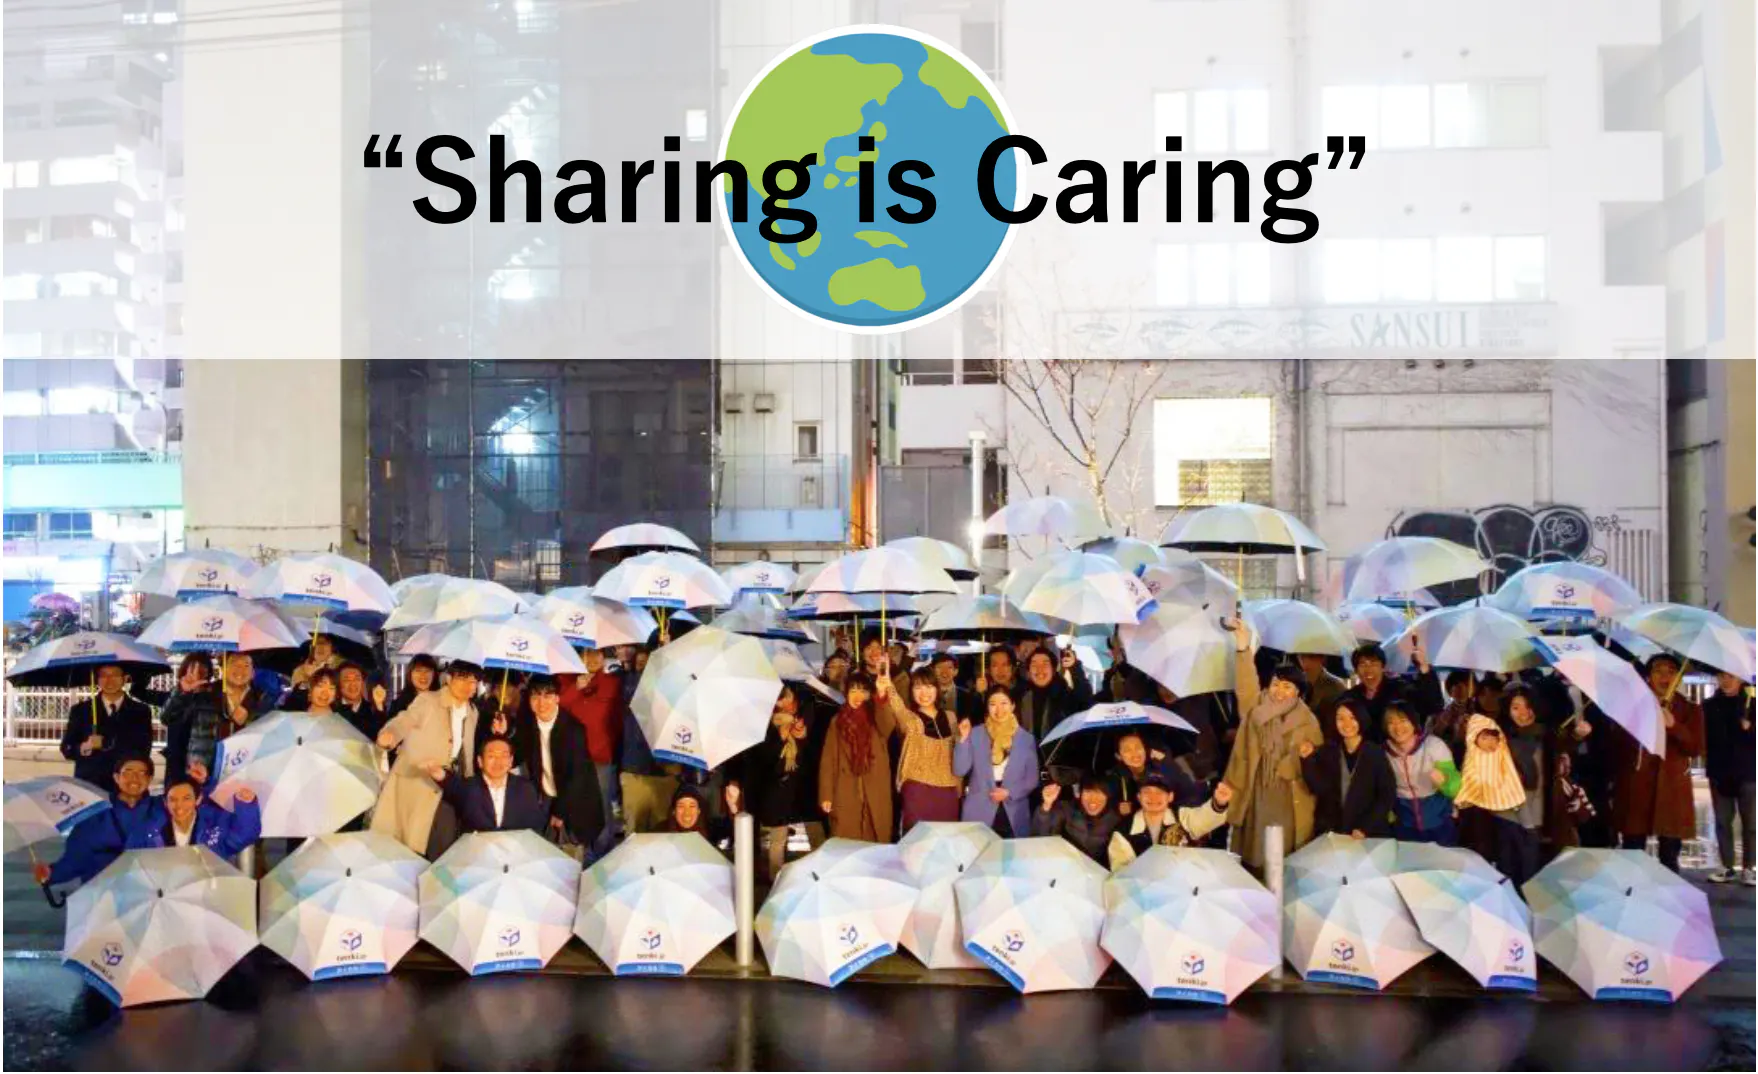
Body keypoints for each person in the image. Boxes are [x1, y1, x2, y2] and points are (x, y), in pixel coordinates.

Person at [1223, 620, 1326, 871]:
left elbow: (1318, 766)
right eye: (1276, 684)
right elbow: (1245, 684)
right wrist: (1243, 648)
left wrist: (1299, 760)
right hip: (1255, 788)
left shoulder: (1308, 721)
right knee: (1253, 852)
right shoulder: (1256, 708)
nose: (1279, 691)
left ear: (1298, 692)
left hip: (1289, 795)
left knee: (1285, 856)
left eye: (1287, 686)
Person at [372, 660, 486, 856]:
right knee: (409, 842)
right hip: (419, 781)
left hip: (450, 782)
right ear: (448, 679)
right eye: (462, 678)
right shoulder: (429, 700)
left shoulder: (472, 711)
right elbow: (405, 719)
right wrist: (390, 734)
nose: (468, 685)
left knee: (444, 841)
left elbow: (467, 750)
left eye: (473, 681)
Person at [1609, 654, 1705, 874]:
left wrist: (1674, 726)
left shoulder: (1690, 709)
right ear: (1649, 677)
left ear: (1677, 678)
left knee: (1669, 855)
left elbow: (1696, 748)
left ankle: (1668, 892)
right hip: (1638, 787)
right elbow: (1617, 745)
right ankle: (1633, 891)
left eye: (1671, 672)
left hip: (1671, 789)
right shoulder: (1632, 706)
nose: (1665, 677)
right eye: (1658, 671)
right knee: (1633, 851)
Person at [731, 684, 826, 881]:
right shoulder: (765, 722)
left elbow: (820, 751)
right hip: (778, 789)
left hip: (806, 788)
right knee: (777, 843)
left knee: (816, 838)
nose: (784, 707)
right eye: (779, 704)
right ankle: (776, 883)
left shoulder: (811, 710)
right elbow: (761, 760)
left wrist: (804, 738)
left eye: (787, 702)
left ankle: (820, 878)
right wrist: (779, 738)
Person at [36, 754, 167, 888]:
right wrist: (51, 874)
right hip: (103, 889)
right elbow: (78, 855)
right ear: (116, 777)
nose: (134, 778)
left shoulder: (162, 809)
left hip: (148, 890)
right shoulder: (96, 812)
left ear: (150, 779)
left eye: (141, 773)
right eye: (128, 772)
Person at [513, 676, 605, 851]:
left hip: (574, 801)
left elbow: (577, 776)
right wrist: (501, 734)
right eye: (535, 697)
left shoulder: (573, 729)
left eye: (547, 696)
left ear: (557, 698)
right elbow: (515, 757)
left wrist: (560, 811)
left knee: (570, 855)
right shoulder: (527, 725)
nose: (541, 703)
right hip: (545, 797)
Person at [1454, 715, 1538, 885]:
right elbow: (1466, 790)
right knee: (1494, 858)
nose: (1490, 742)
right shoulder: (1470, 761)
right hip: (1483, 822)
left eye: (1494, 737)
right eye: (1484, 738)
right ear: (1473, 738)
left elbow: (1518, 787)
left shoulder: (1506, 757)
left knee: (1514, 858)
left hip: (1511, 818)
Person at [1299, 699, 1396, 840]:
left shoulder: (1374, 753)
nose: (1347, 724)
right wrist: (1307, 760)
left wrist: (1365, 828)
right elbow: (1318, 788)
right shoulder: (1329, 751)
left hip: (1368, 833)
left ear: (1361, 719)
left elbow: (1386, 795)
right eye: (1340, 719)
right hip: (1334, 833)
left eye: (1352, 718)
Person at [880, 668, 962, 832]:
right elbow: (897, 707)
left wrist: (959, 786)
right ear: (911, 691)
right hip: (918, 790)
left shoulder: (951, 717)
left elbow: (960, 756)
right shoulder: (911, 720)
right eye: (918, 687)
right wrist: (888, 685)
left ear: (937, 689)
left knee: (947, 839)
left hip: (949, 791)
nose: (924, 693)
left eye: (929, 686)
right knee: (917, 840)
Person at [818, 672, 897, 841]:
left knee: (875, 841)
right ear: (846, 694)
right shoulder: (837, 721)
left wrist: (881, 695)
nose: (858, 696)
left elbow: (888, 725)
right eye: (853, 691)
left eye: (863, 691)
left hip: (875, 789)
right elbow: (828, 759)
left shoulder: (877, 717)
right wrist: (826, 795)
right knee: (847, 843)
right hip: (845, 790)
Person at [952, 687, 1040, 838]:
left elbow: (1032, 779)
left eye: (1004, 703)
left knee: (1011, 852)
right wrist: (963, 739)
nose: (999, 709)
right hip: (979, 809)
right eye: (993, 704)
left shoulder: (1026, 739)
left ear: (1013, 706)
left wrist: (1009, 793)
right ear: (987, 707)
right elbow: (959, 770)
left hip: (1013, 810)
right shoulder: (976, 733)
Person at [559, 648, 625, 842]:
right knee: (575, 802)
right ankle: (577, 846)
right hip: (574, 757)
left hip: (601, 756)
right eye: (588, 653)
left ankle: (604, 847)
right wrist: (576, 688)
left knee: (602, 804)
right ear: (579, 657)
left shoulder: (612, 683)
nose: (594, 658)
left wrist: (612, 746)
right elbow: (557, 710)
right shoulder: (566, 681)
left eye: (598, 653)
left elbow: (618, 719)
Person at [58, 663, 155, 793]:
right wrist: (84, 747)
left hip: (126, 786)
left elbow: (143, 748)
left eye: (114, 675)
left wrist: (105, 743)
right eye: (103, 676)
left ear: (125, 679)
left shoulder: (140, 711)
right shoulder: (81, 710)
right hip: (90, 785)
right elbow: (66, 748)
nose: (109, 680)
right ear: (97, 680)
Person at [423, 735, 549, 835]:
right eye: (491, 756)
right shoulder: (468, 788)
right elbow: (451, 786)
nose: (498, 761)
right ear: (480, 761)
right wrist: (438, 773)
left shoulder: (525, 788)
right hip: (477, 853)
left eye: (504, 756)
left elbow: (535, 827)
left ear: (511, 761)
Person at [1107, 772, 1235, 869]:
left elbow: (1204, 818)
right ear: (1139, 797)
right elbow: (1121, 873)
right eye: (1147, 792)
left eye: (1160, 792)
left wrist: (1219, 802)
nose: (1153, 797)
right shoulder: (1123, 832)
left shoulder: (1181, 816)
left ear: (1170, 797)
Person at [1704, 673, 1755, 885]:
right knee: (1722, 821)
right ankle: (1727, 867)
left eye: (1731, 676)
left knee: (1750, 824)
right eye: (1721, 676)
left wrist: (1751, 729)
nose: (1726, 680)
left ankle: (1749, 868)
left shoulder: (1752, 704)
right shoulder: (1708, 706)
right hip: (1719, 772)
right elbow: (1703, 737)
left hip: (1748, 772)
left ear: (1740, 679)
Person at [1335, 641, 1443, 742]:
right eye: (1363, 665)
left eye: (1374, 664)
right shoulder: (1350, 697)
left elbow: (1432, 705)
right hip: (1366, 753)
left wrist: (1424, 667)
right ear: (1356, 670)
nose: (1368, 669)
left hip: (1398, 750)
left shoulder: (1400, 689)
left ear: (1383, 667)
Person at [1382, 703, 1457, 844]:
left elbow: (1454, 785)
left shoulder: (1434, 745)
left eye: (1403, 721)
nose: (1397, 727)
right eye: (1391, 723)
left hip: (1438, 820)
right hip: (1404, 822)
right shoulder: (1383, 753)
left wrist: (1445, 782)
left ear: (1413, 722)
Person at [137, 775, 260, 861]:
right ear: (165, 802)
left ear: (198, 799)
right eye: (173, 800)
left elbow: (242, 837)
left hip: (208, 885)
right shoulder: (151, 828)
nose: (179, 806)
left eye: (186, 798)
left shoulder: (216, 822)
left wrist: (246, 805)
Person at [159, 653, 224, 787]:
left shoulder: (213, 697)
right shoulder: (178, 692)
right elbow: (165, 718)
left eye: (202, 668)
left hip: (199, 763)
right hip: (176, 758)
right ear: (184, 669)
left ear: (208, 672)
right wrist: (183, 692)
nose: (196, 672)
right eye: (192, 667)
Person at [1032, 776, 1122, 867]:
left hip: (1097, 870)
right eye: (1088, 792)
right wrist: (1047, 804)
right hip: (1066, 864)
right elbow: (1041, 835)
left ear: (1108, 797)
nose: (1093, 799)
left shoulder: (1115, 818)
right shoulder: (1068, 809)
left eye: (1099, 793)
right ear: (1080, 794)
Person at [1017, 646, 1093, 744]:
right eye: (1034, 664)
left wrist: (1074, 667)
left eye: (1045, 664)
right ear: (1028, 671)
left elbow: (1085, 701)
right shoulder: (1022, 696)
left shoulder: (1064, 695)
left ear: (1053, 670)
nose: (1040, 669)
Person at [1424, 670, 1477, 763]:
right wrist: (1442, 724)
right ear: (1450, 690)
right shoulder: (1438, 715)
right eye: (1456, 685)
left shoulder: (1479, 713)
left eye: (1466, 685)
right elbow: (1428, 742)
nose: (1461, 689)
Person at [1296, 652, 1348, 738]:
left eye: (1311, 656)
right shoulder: (1297, 681)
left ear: (1322, 658)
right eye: (1301, 656)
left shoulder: (1336, 685)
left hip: (1325, 736)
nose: (1305, 660)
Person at [335, 662, 387, 741]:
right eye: (347, 680)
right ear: (338, 684)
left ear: (363, 682)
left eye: (357, 679)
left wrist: (379, 705)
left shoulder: (375, 710)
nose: (353, 684)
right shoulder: (331, 710)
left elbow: (381, 737)